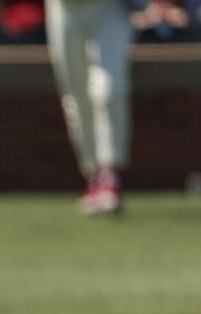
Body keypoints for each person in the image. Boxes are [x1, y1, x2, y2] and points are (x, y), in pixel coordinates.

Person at [45, 0, 138, 215]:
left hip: (108, 7)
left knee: (109, 89)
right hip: (64, 8)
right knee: (76, 97)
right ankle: (93, 175)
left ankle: (110, 176)